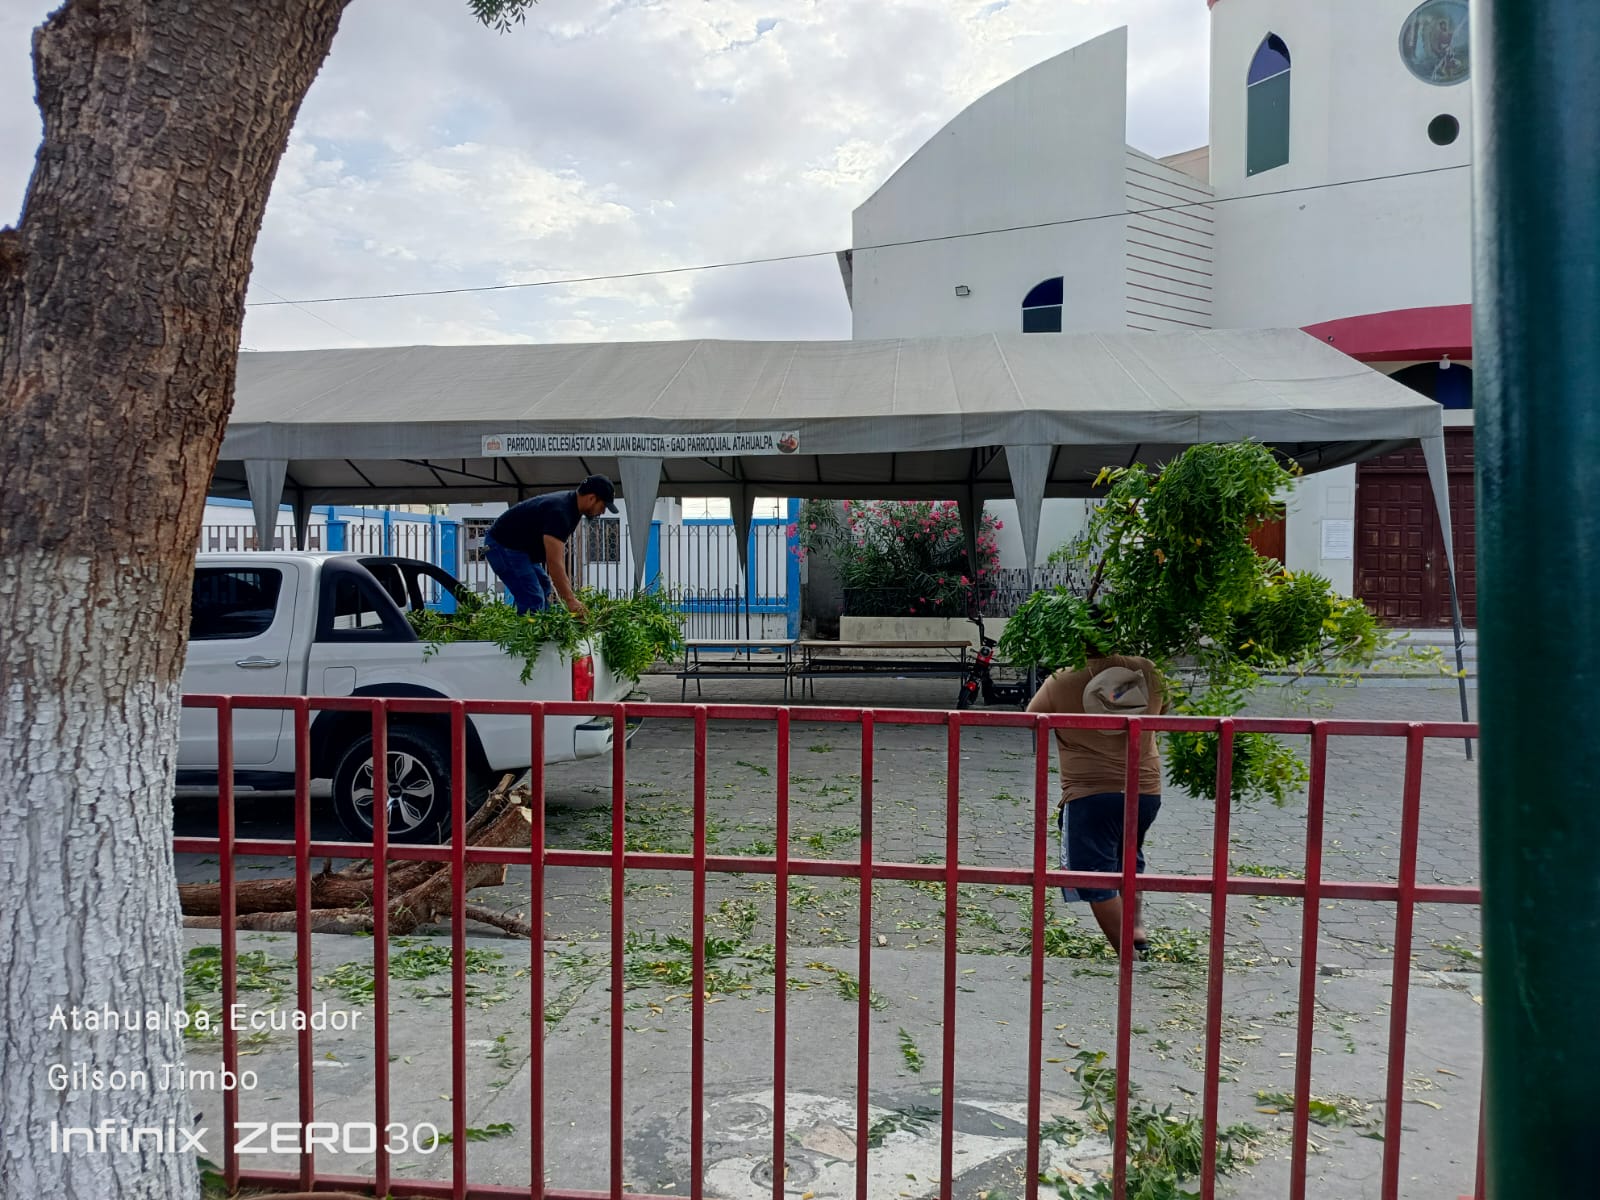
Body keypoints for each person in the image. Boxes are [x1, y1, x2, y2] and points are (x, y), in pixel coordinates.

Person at [1027, 646, 1164, 957]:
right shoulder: (1149, 670)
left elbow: (1032, 717)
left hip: (1090, 792)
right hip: (1145, 790)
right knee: (1128, 858)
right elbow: (1163, 708)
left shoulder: (1062, 680)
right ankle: (1136, 930)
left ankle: (1128, 957)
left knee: (1092, 876)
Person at [483, 475, 617, 617]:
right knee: (533, 598)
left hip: (519, 550)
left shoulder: (572, 507)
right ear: (591, 498)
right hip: (502, 546)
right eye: (603, 506)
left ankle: (542, 625)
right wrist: (570, 601)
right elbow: (554, 562)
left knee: (543, 585)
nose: (602, 512)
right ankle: (530, 628)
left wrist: (569, 597)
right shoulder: (560, 512)